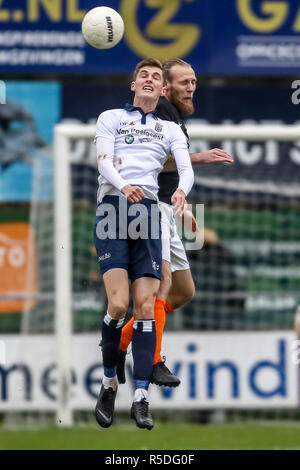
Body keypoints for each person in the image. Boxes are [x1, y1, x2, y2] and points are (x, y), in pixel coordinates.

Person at [117, 58, 233, 387]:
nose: (191, 87)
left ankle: (121, 343)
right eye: (184, 82)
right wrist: (200, 157)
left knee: (183, 291)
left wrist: (182, 207)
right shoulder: (163, 112)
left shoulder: (172, 116)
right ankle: (151, 359)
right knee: (165, 285)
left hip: (163, 209)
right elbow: (155, 161)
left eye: (194, 81)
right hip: (149, 209)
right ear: (166, 88)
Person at [94, 58, 194, 430]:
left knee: (146, 305)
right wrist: (123, 186)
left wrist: (183, 192)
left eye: (155, 76)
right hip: (114, 210)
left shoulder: (169, 128)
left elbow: (184, 167)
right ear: (133, 85)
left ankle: (140, 398)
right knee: (119, 305)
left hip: (150, 213)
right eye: (144, 76)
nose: (150, 80)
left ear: (160, 88)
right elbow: (104, 162)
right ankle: (108, 384)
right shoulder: (111, 118)